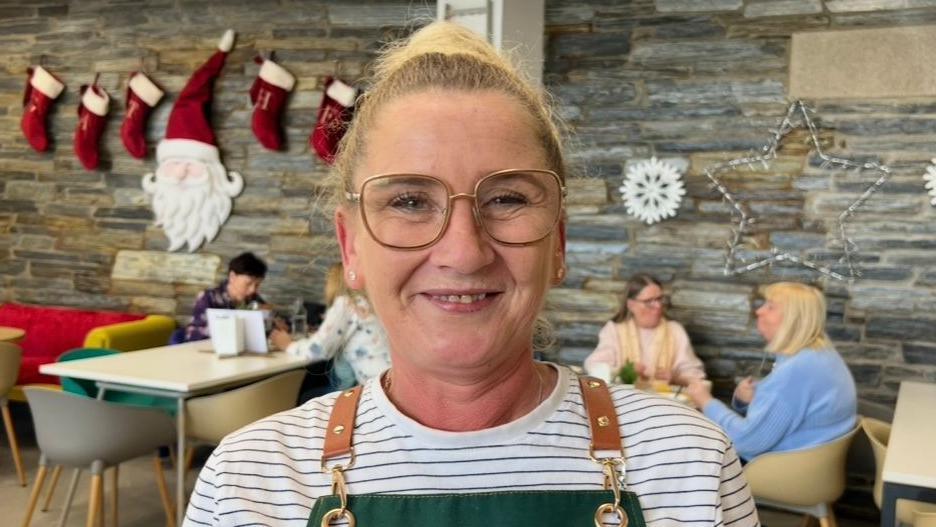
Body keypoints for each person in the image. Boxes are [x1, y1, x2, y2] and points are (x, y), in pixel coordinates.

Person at [183, 22, 757, 527]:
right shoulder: (249, 483)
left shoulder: (688, 463)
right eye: (409, 201)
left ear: (556, 243)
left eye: (507, 198)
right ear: (350, 247)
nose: (463, 251)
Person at [686, 281, 857, 461]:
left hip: (781, 470)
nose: (759, 311)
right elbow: (789, 404)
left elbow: (745, 441)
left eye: (770, 307)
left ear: (793, 319)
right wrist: (751, 399)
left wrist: (705, 401)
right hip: (812, 462)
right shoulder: (820, 354)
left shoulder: (796, 370)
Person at [269, 263, 391, 394]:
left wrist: (288, 345)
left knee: (306, 394)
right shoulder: (369, 303)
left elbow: (319, 349)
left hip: (374, 389)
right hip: (387, 380)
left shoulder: (346, 303)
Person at [584, 273, 705, 386]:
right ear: (631, 305)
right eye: (649, 301)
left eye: (659, 299)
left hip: (664, 403)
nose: (658, 306)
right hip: (625, 402)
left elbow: (695, 375)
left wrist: (675, 377)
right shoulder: (614, 330)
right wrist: (622, 371)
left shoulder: (675, 330)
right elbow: (593, 367)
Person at [179, 251, 267, 343]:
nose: (253, 290)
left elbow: (271, 325)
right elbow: (193, 335)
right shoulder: (208, 297)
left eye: (257, 285)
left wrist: (270, 318)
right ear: (232, 276)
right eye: (248, 284)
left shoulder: (253, 299)